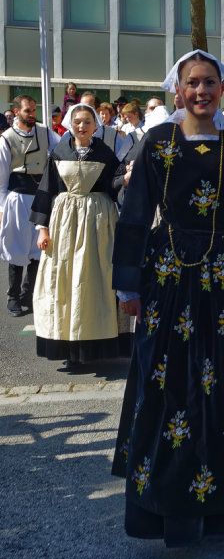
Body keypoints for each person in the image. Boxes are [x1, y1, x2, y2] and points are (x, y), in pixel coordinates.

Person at [110, 50, 224, 545]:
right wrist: (129, 283)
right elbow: (136, 213)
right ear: (178, 89)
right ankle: (172, 508)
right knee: (170, 379)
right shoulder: (158, 141)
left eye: (210, 82)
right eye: (193, 82)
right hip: (171, 272)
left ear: (222, 89)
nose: (202, 91)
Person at [30, 103, 128, 366]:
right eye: (77, 122)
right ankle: (68, 346)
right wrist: (42, 229)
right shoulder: (59, 152)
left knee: (95, 280)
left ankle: (94, 346)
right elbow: (46, 190)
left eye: (87, 122)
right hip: (64, 225)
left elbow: (113, 185)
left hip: (98, 224)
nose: (82, 126)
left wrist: (125, 179)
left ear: (96, 125)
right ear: (69, 124)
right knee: (64, 280)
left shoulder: (105, 153)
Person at [1, 94, 58, 316]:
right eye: (27, 111)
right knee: (17, 249)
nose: (32, 114)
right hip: (16, 197)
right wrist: (1, 209)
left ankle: (29, 294)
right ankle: (13, 296)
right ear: (16, 112)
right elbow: (1, 178)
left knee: (38, 248)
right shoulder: (6, 139)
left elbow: (63, 148)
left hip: (40, 195)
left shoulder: (45, 132)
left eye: (34, 110)